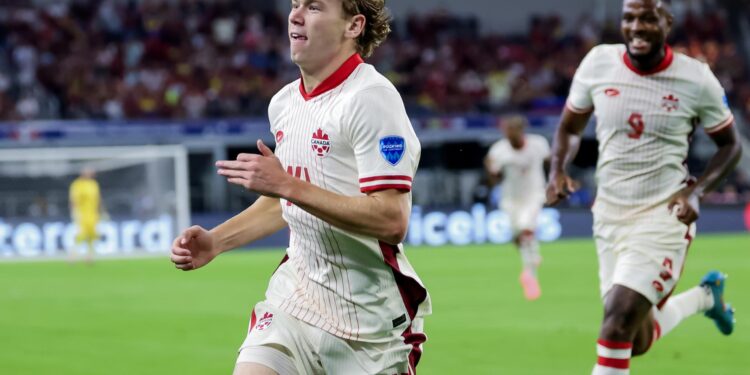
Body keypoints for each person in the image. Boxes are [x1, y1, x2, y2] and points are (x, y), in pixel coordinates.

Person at [170, 1, 430, 374]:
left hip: (367, 323)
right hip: (295, 300)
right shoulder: (284, 103)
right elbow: (286, 201)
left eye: (314, 7)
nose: (295, 15)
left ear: (353, 26)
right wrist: (216, 241)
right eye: (294, 5)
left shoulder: (372, 99)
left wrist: (287, 185)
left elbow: (391, 219)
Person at [546, 1, 742, 374]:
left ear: (667, 23)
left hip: (663, 214)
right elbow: (570, 128)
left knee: (617, 320)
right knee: (631, 339)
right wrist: (558, 169)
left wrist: (697, 191)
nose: (637, 26)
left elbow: (731, 145)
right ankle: (705, 298)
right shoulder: (598, 63)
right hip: (609, 215)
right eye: (629, 18)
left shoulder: (696, 78)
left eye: (648, 18)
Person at [485, 115, 551, 300]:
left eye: (511, 130)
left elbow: (550, 162)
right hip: (511, 199)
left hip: (534, 195)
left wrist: (555, 182)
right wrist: (491, 172)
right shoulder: (499, 150)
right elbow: (493, 175)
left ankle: (529, 274)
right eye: (506, 131)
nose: (508, 135)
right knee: (517, 235)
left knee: (526, 227)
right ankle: (533, 255)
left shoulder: (538, 144)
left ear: (521, 130)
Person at [69, 167, 102, 263]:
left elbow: (98, 198)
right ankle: (73, 255)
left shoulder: (94, 184)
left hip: (92, 213)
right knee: (81, 234)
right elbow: (73, 199)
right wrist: (74, 212)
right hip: (82, 213)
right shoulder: (77, 184)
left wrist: (101, 211)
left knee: (92, 235)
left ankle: (89, 256)